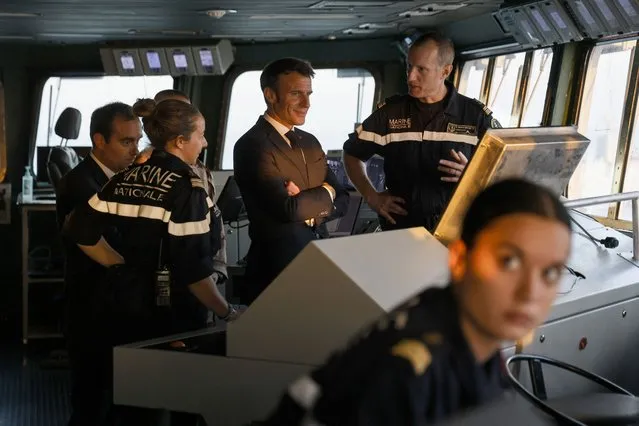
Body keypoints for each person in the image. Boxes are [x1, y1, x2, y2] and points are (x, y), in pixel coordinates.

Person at [263, 178, 572, 425]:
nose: (529, 292)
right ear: (460, 259)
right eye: (509, 262)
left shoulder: (476, 343)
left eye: (550, 272)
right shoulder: (407, 370)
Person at [63, 98, 244, 347]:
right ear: (180, 141)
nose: (204, 143)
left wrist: (121, 267)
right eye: (200, 135)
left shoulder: (125, 177)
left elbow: (79, 229)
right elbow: (194, 272)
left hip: (130, 308)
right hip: (177, 314)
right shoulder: (187, 189)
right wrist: (229, 313)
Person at [343, 32, 502, 232]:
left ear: (445, 71)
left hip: (455, 231)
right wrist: (372, 197)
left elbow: (505, 172)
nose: (411, 77)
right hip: (400, 229)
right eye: (409, 66)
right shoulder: (390, 114)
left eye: (421, 69)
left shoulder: (475, 117)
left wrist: (474, 176)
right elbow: (352, 153)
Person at [233, 57, 350, 304]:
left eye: (308, 94)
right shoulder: (253, 145)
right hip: (275, 270)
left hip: (317, 260)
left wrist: (312, 201)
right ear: (270, 95)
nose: (306, 103)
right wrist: (323, 194)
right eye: (296, 94)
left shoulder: (310, 142)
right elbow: (288, 209)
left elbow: (343, 198)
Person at [55, 102, 142, 426]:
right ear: (99, 140)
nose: (134, 150)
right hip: (91, 306)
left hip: (114, 303)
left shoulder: (117, 178)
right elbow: (113, 239)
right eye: (126, 142)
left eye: (137, 140)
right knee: (92, 403)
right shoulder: (81, 184)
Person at [137, 89, 230, 304]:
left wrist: (218, 269)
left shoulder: (200, 171)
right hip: (176, 286)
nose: (204, 142)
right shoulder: (146, 171)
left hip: (204, 274)